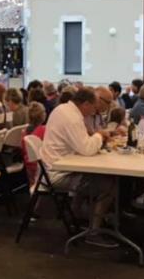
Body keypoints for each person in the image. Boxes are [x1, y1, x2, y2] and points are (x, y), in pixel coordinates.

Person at [40, 88, 115, 248]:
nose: (93, 111)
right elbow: (86, 149)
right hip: (58, 174)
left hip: (54, 168)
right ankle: (93, 232)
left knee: (95, 177)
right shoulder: (72, 118)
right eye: (93, 107)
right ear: (86, 104)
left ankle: (76, 217)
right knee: (109, 186)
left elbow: (81, 144)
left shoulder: (62, 109)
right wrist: (100, 135)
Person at [21, 102, 47, 188]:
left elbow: (22, 149)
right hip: (41, 165)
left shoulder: (24, 131)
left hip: (28, 163)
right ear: (43, 115)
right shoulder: (44, 130)